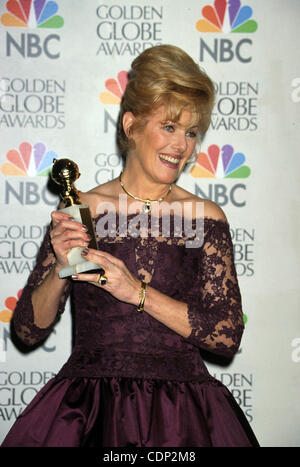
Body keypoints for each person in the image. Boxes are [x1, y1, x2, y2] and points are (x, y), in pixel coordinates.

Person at [2, 45, 259, 447]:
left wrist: (135, 292)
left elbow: (226, 337)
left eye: (192, 132)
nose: (182, 146)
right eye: (170, 127)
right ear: (131, 124)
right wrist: (59, 266)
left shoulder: (204, 218)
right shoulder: (83, 207)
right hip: (90, 413)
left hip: (184, 416)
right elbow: (27, 332)